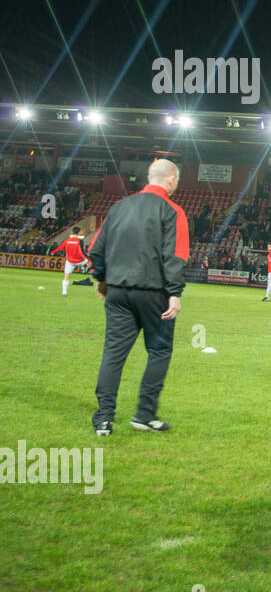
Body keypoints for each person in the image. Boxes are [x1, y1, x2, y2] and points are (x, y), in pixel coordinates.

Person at [86, 159, 189, 435]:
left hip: (118, 292)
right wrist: (175, 293)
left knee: (113, 354)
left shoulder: (119, 207)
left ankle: (104, 418)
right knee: (159, 351)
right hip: (153, 293)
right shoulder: (173, 210)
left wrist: (101, 278)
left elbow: (96, 249)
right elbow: (175, 256)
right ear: (171, 179)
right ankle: (144, 414)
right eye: (176, 179)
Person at [51, 226, 90, 296]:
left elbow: (60, 247)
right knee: (86, 261)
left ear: (72, 232)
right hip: (79, 261)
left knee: (66, 277)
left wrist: (53, 252)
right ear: (78, 232)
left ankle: (64, 293)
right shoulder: (80, 241)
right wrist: (88, 257)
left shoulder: (67, 241)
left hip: (70, 261)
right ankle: (84, 269)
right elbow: (81, 252)